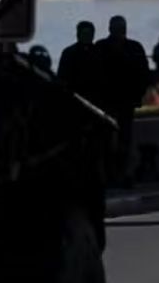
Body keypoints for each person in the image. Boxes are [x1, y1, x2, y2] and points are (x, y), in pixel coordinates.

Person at [95, 15, 151, 188]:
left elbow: (142, 74)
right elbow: (143, 74)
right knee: (117, 142)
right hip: (118, 102)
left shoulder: (101, 47)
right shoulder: (133, 48)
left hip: (114, 102)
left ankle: (115, 175)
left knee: (115, 142)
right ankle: (117, 174)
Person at [58, 21, 101, 101]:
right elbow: (61, 77)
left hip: (94, 98)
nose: (86, 36)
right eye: (84, 33)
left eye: (89, 34)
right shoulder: (68, 53)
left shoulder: (100, 53)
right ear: (78, 34)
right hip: (72, 97)